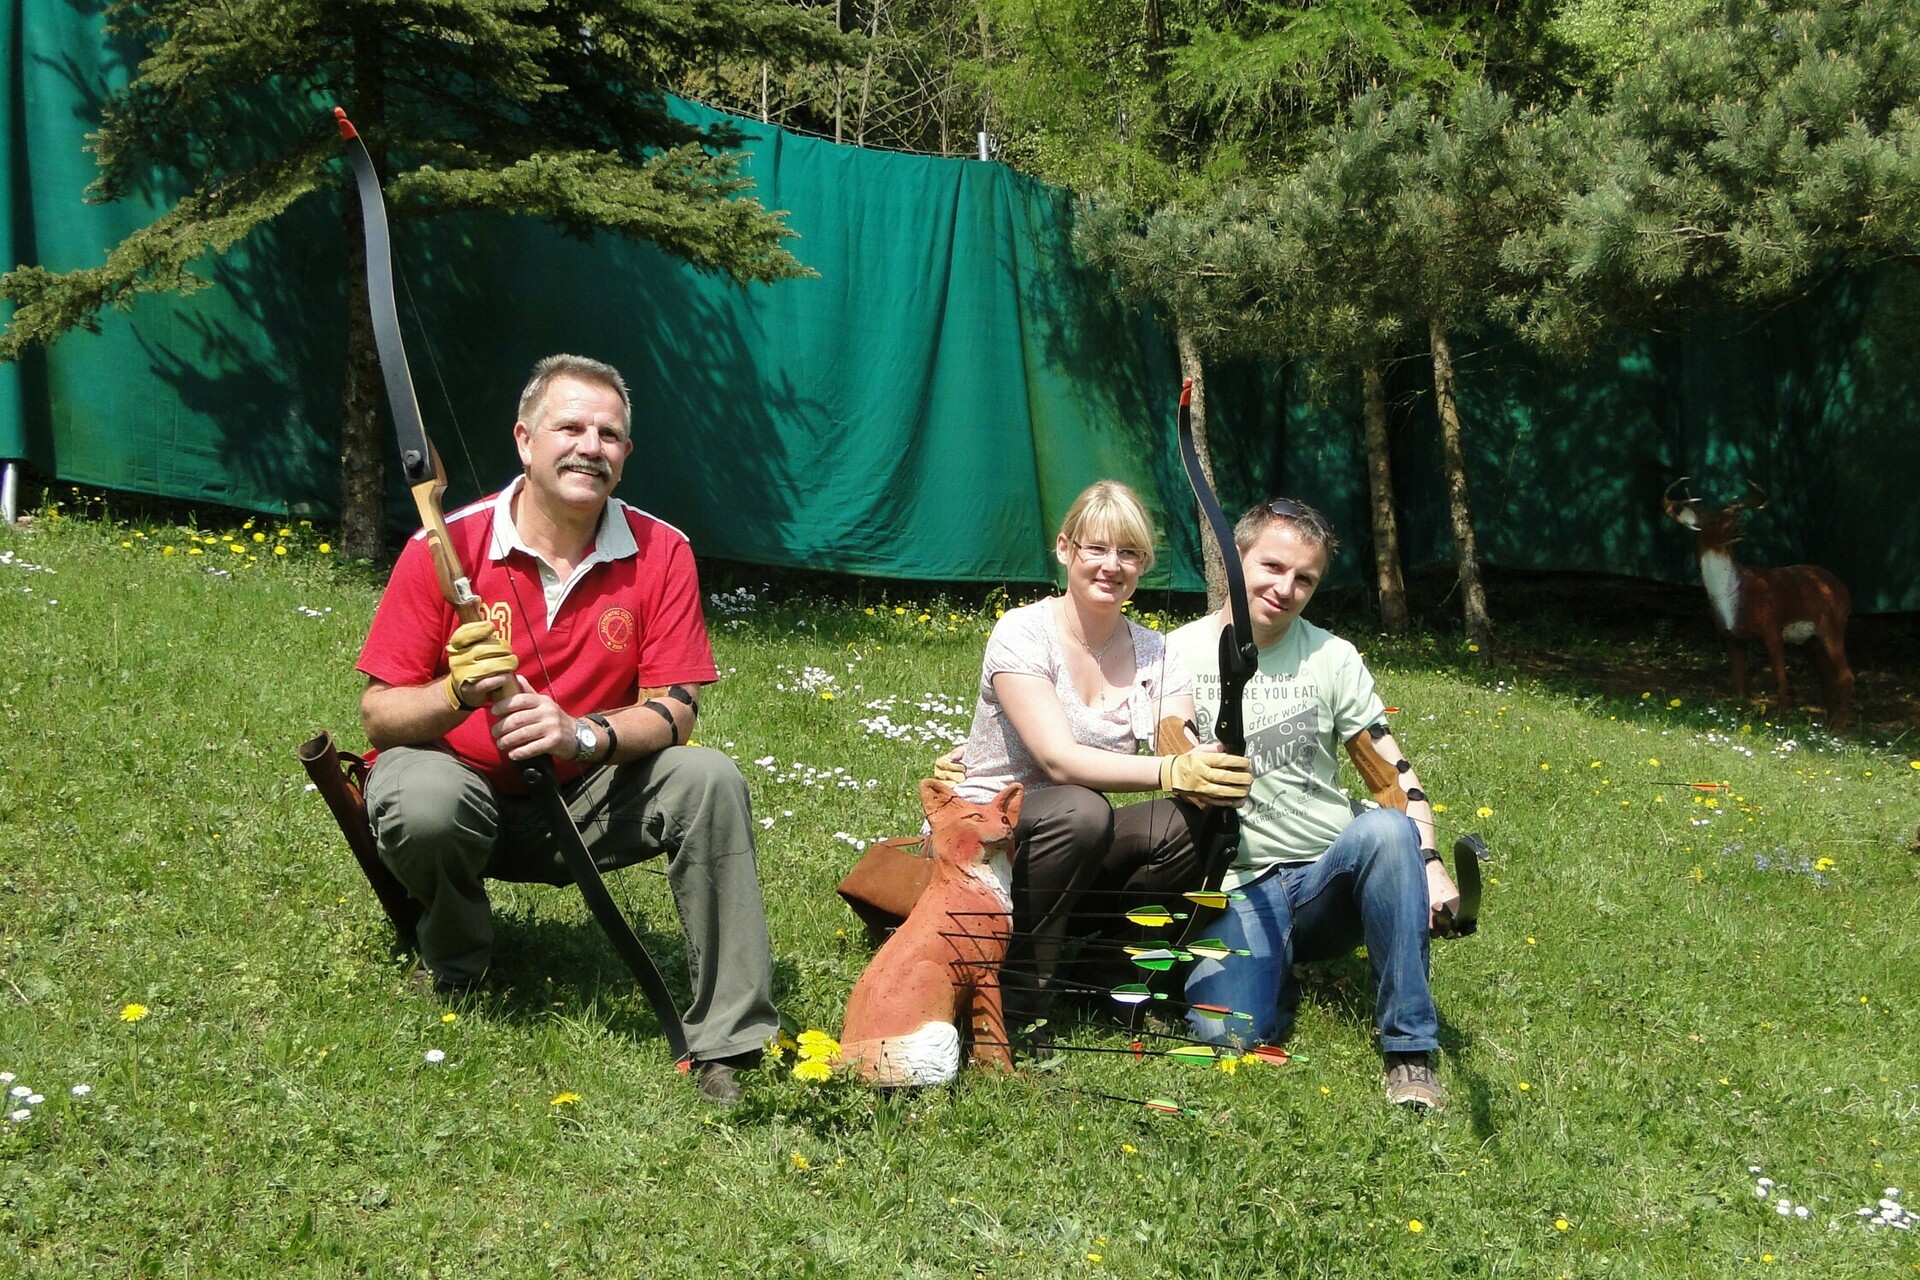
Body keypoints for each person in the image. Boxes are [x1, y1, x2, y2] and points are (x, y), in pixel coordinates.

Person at [356, 353, 778, 1105]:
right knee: (420, 801)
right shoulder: (443, 547)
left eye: (609, 434)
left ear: (626, 455)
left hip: (586, 799)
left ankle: (730, 1042)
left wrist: (579, 735)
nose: (591, 446)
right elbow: (379, 713)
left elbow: (677, 708)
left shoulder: (663, 550)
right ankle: (457, 958)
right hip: (463, 791)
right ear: (524, 440)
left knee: (709, 778)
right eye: (571, 427)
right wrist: (457, 692)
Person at [1164, 498, 1459, 1110]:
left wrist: (1430, 866)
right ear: (1234, 557)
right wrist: (1202, 755)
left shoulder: (1333, 656)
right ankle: (1276, 970)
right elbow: (1176, 755)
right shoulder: (1176, 653)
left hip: (1328, 878)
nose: (1286, 588)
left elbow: (1389, 776)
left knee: (1385, 832)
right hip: (1235, 884)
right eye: (1272, 567)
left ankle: (1409, 1051)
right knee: (1226, 1036)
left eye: (1305, 578)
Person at [942, 481, 1251, 1050]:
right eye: (1097, 549)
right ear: (1065, 550)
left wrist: (1206, 763)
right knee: (1083, 810)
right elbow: (1058, 761)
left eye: (1129, 553)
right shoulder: (1021, 630)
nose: (1113, 566)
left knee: (1192, 823)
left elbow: (1173, 737)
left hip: (1077, 837)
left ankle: (1104, 976)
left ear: (1144, 566)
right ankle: (1021, 994)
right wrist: (1169, 772)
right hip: (987, 836)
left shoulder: (1159, 651)